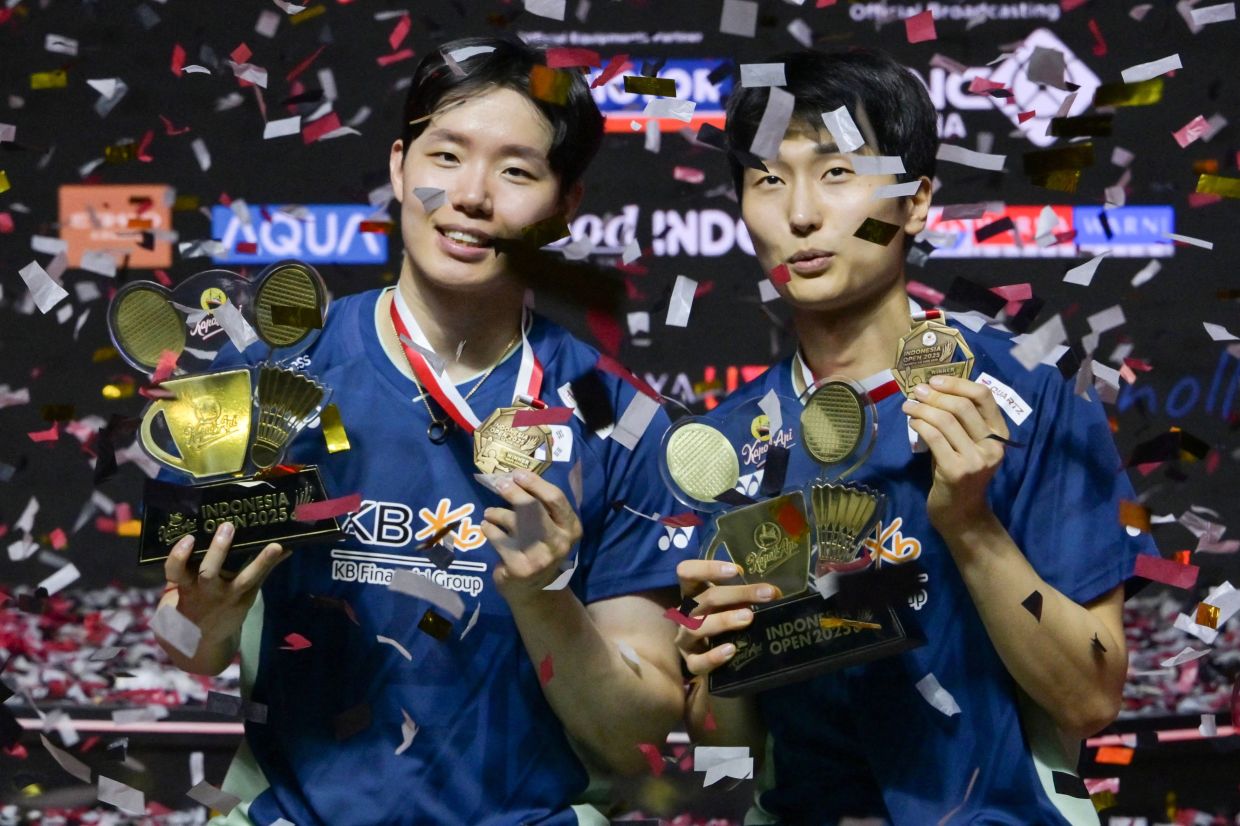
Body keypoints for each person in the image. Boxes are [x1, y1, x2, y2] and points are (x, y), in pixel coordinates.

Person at [154, 36, 692, 826]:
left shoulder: (620, 422)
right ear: (401, 167)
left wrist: (545, 599)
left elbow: (637, 728)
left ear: (563, 206)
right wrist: (202, 618)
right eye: (447, 156)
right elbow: (182, 645)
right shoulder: (267, 382)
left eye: (517, 170)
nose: (470, 195)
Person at [675, 47, 1157, 825]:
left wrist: (971, 526)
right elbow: (723, 760)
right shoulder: (729, 446)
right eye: (768, 178)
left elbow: (1092, 697)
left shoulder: (1031, 397)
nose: (799, 213)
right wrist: (716, 672)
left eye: (836, 173)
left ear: (916, 201)